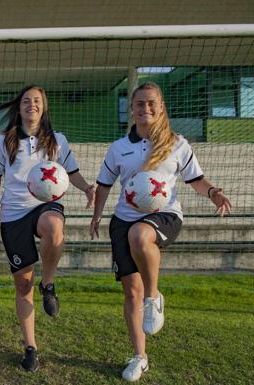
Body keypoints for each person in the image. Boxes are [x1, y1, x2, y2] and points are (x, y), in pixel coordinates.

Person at [90, 82, 232, 382]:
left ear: (161, 106)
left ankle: (154, 297)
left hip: (164, 215)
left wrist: (214, 193)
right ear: (132, 109)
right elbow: (104, 184)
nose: (146, 108)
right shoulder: (119, 148)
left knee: (140, 236)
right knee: (130, 291)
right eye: (140, 104)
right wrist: (97, 216)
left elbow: (196, 180)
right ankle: (139, 357)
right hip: (123, 219)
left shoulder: (177, 144)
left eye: (152, 103)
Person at [0, 85, 95, 371]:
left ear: (44, 107)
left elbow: (71, 173)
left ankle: (49, 283)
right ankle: (31, 347)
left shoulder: (57, 140)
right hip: (13, 212)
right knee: (23, 285)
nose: (31, 105)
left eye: (37, 101)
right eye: (26, 101)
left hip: (45, 203)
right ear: (19, 107)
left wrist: (87, 189)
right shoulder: (4, 141)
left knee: (53, 227)